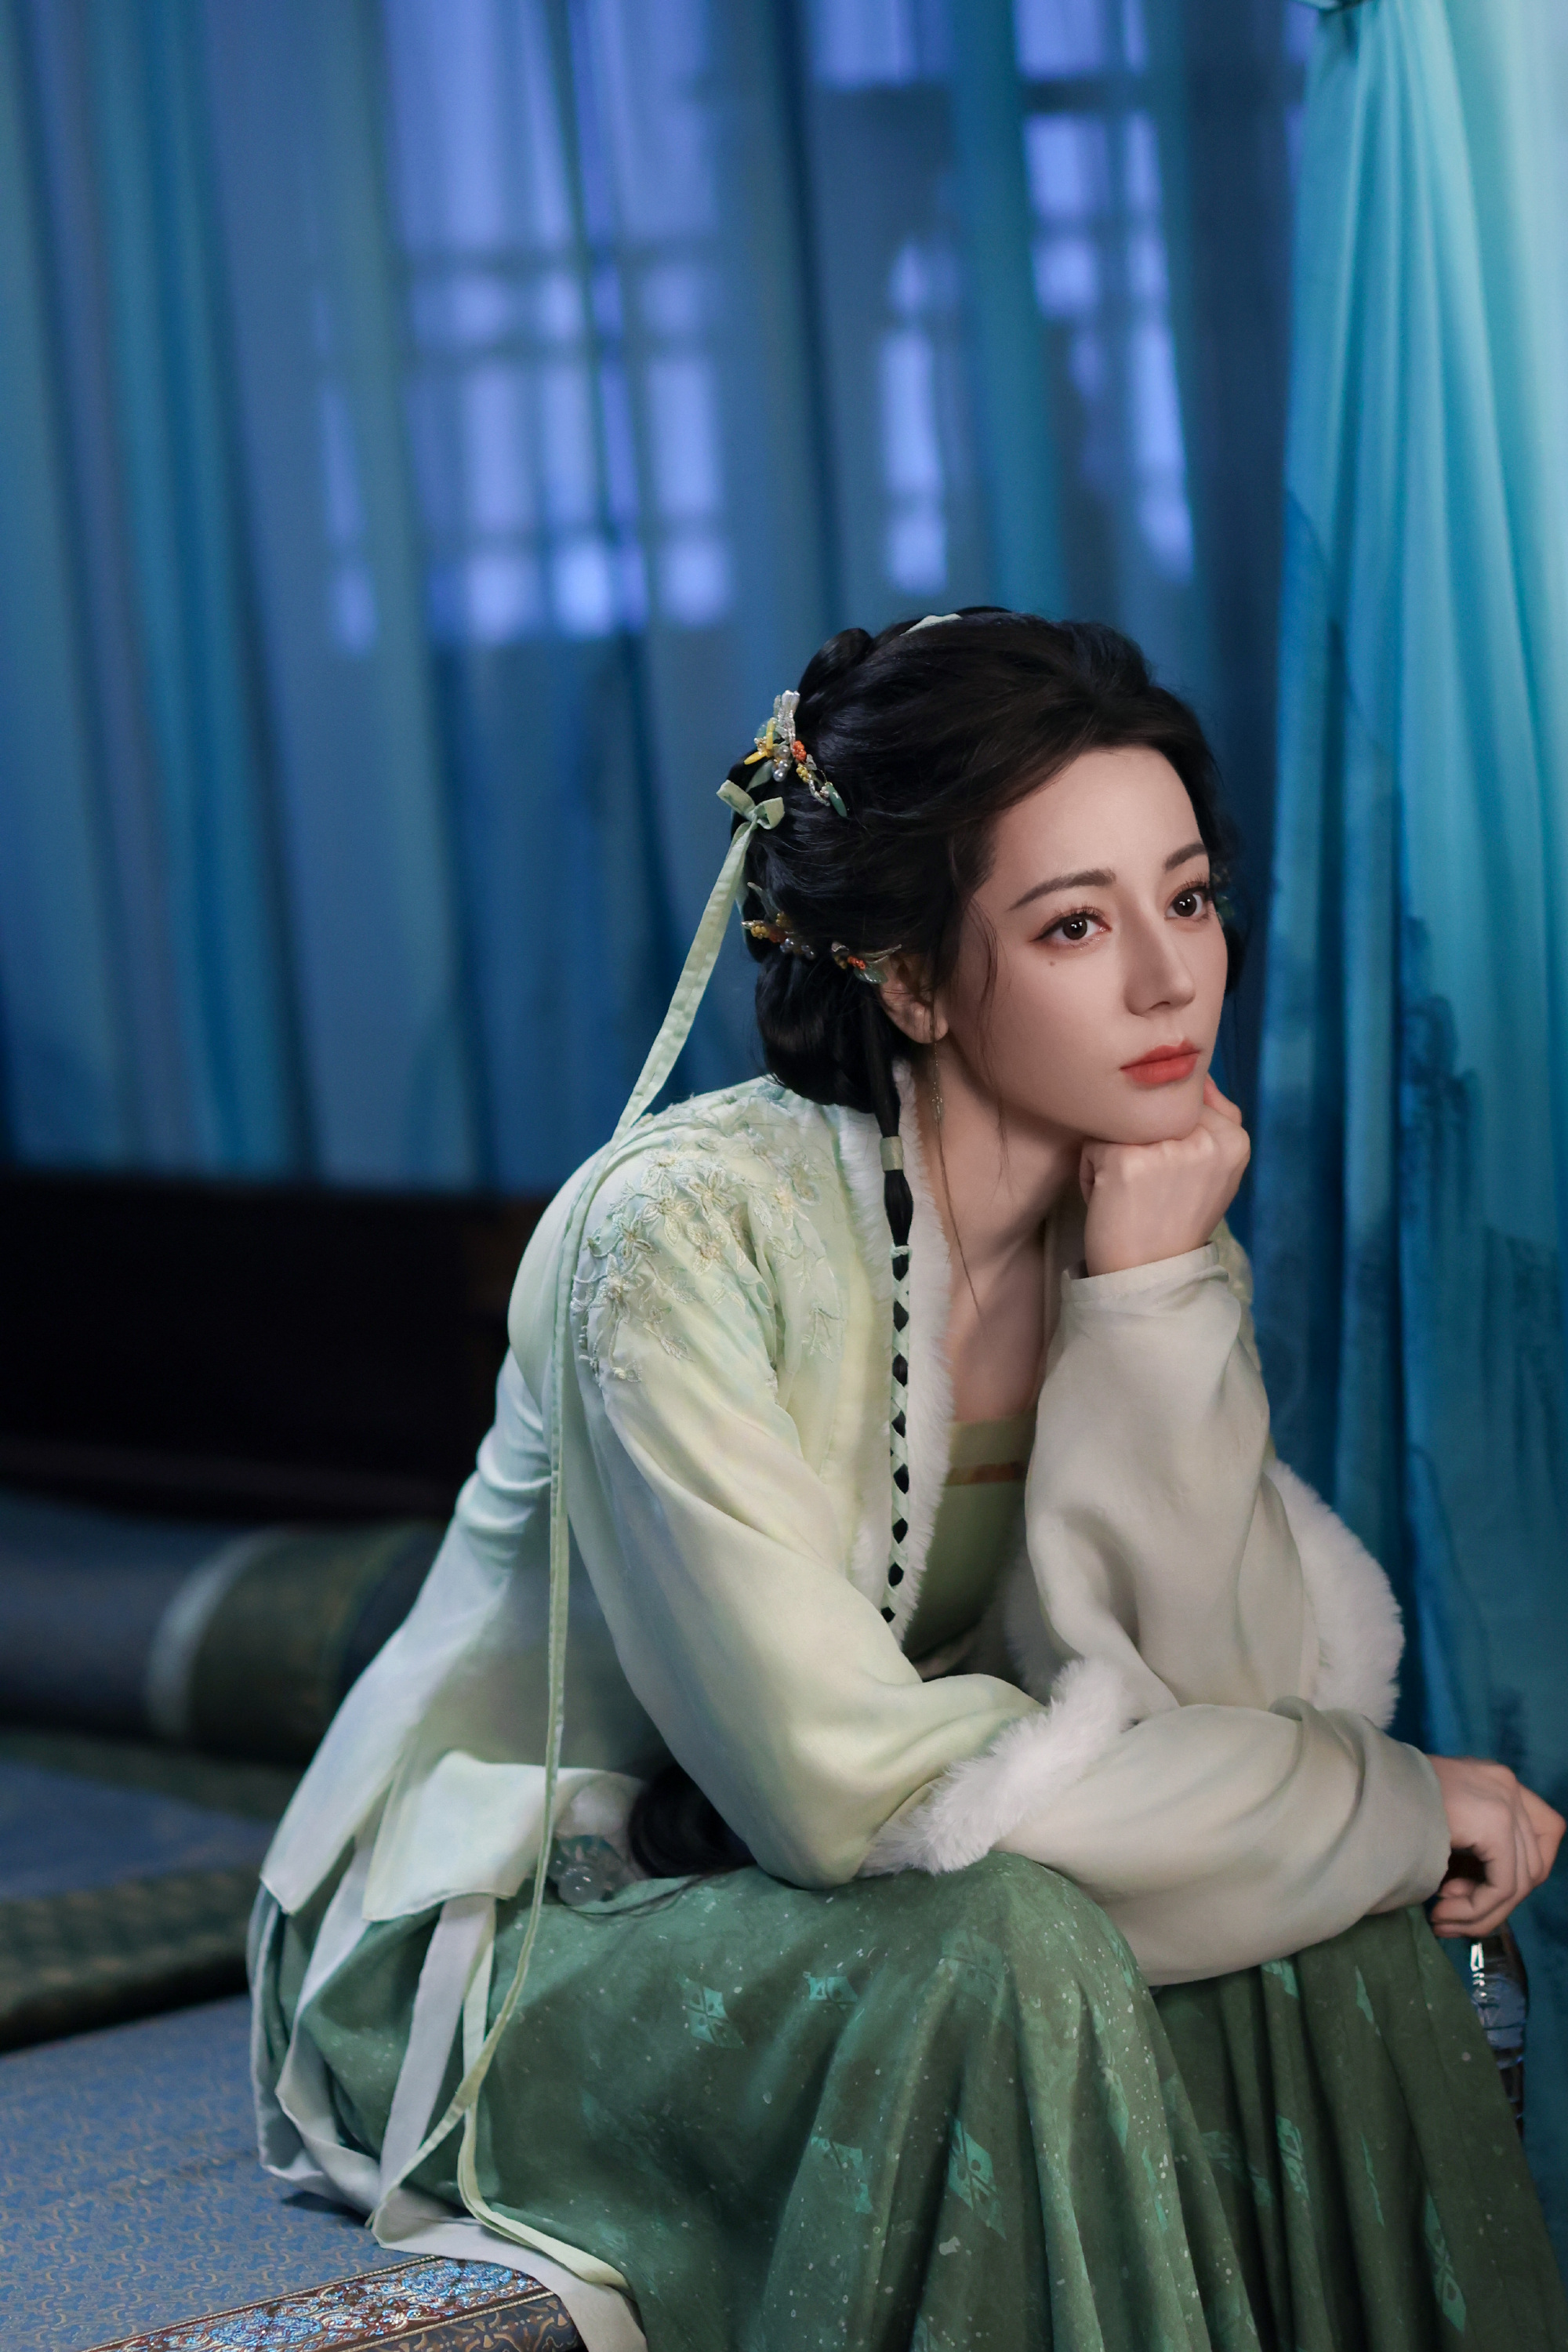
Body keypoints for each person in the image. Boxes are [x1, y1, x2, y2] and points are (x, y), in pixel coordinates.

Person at [252, 612, 1566, 2352]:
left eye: (1187, 900)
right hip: (526, 1924)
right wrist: (1386, 1807)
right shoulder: (676, 1239)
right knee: (1004, 1944)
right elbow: (844, 1791)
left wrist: (1152, 1300)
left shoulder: (1143, 1215)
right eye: (1075, 925)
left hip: (844, 1889)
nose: (1171, 981)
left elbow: (1229, 1698)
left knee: (1329, 1943)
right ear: (914, 979)